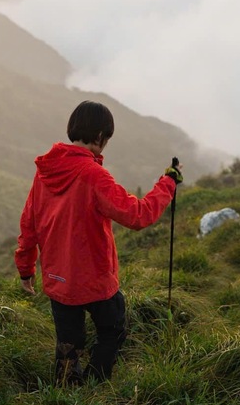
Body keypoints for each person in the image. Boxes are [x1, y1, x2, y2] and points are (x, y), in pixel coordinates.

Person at [14, 100, 183, 385]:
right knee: (113, 331)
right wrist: (167, 183)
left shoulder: (45, 171)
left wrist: (26, 269)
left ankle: (67, 396)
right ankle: (95, 384)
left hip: (57, 277)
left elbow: (29, 223)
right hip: (94, 278)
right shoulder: (93, 175)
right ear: (101, 136)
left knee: (68, 345)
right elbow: (138, 215)